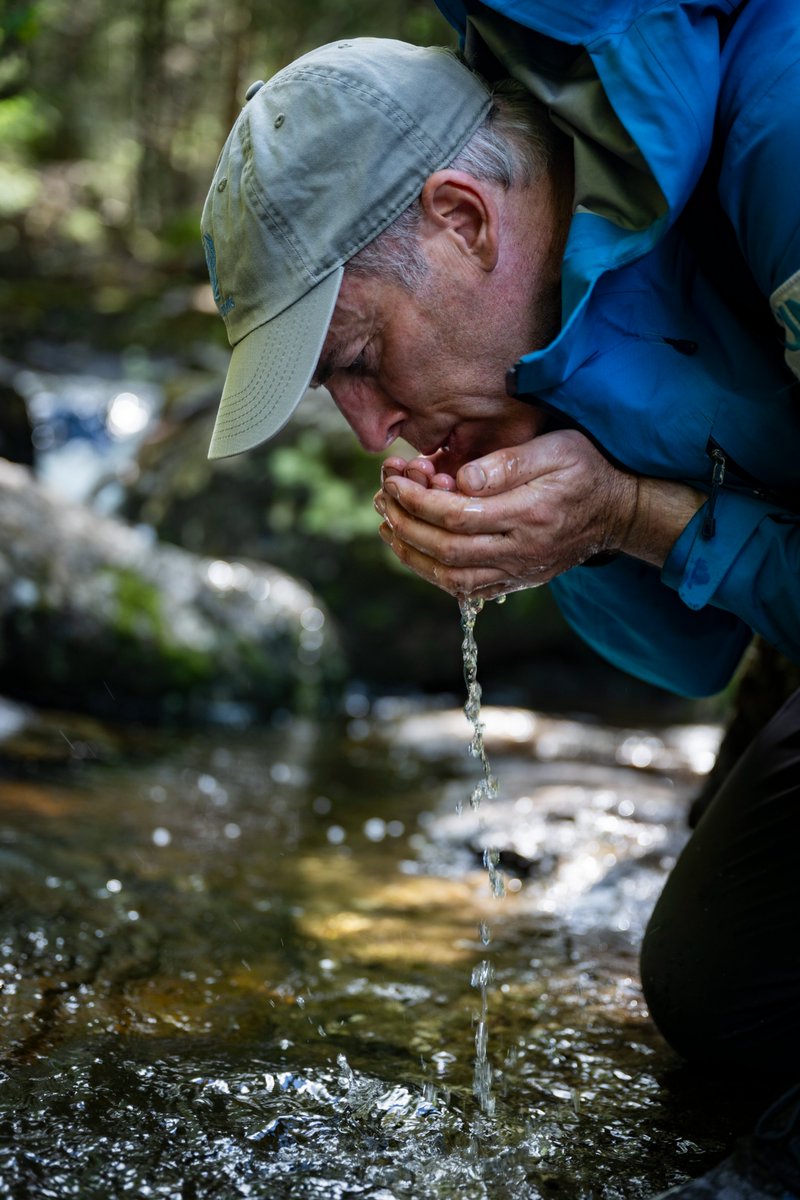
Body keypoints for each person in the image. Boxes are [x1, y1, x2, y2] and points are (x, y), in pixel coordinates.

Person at [200, 4, 800, 1194]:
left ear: (463, 221)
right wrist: (563, 530)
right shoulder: (536, 319)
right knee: (721, 988)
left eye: (358, 363)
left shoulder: (782, 141)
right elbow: (689, 655)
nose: (369, 430)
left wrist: (631, 512)